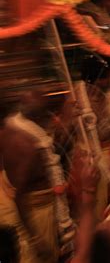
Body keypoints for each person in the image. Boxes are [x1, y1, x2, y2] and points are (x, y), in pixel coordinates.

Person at [0, 88, 75, 263]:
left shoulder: (11, 126)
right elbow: (20, 196)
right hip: (32, 212)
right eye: (48, 114)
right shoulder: (30, 148)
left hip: (13, 196)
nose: (52, 117)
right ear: (40, 117)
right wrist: (35, 239)